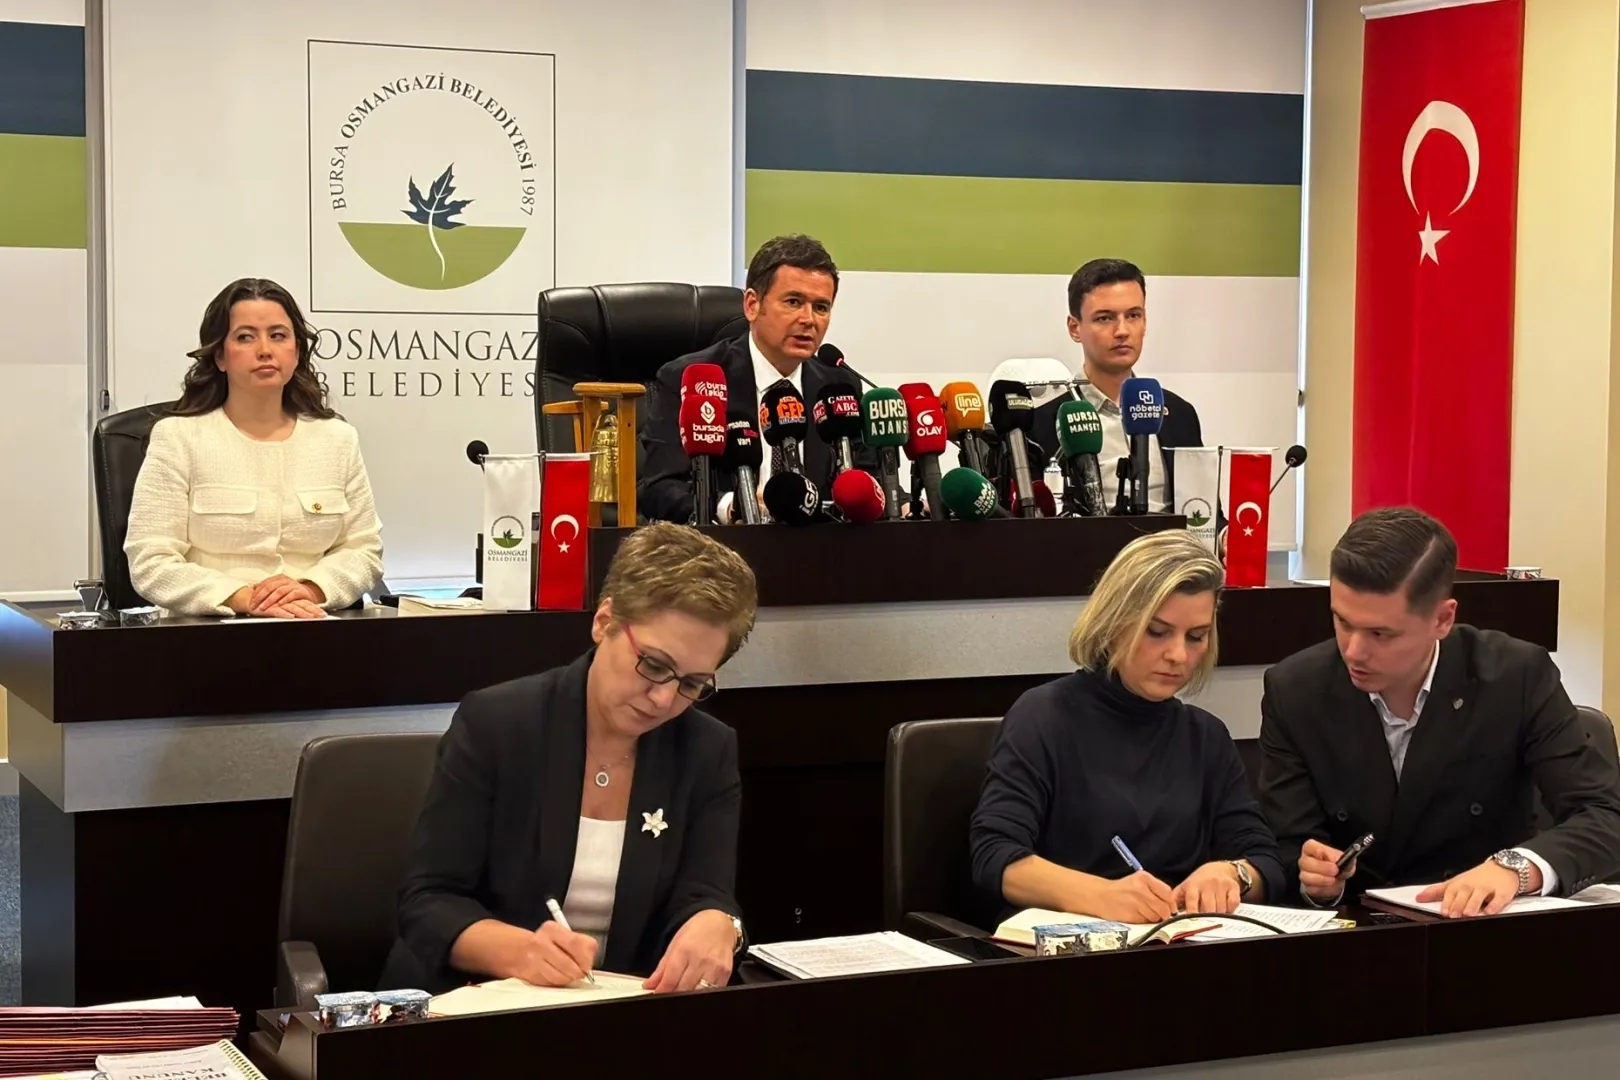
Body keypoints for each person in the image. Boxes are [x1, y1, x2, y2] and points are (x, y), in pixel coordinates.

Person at [380, 523, 757, 994]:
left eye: (692, 683)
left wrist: (719, 923)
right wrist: (520, 951)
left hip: (621, 1012)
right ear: (604, 621)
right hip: (474, 1005)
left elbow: (706, 895)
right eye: (654, 665)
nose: (664, 699)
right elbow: (427, 902)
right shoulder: (499, 724)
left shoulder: (706, 750)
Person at [1260, 507, 1620, 917]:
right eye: (1342, 622)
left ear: (1443, 619)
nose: (1354, 652)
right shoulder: (1295, 690)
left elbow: (1604, 817)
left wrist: (1515, 869)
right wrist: (1315, 879)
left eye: (1380, 633)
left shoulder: (1516, 676)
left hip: (1485, 927)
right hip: (1357, 932)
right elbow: (1287, 845)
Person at [970, 530, 1284, 924]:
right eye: (1157, 632)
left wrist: (1232, 874)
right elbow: (995, 855)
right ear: (1114, 622)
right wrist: (1101, 895)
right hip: (1069, 946)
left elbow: (1266, 861)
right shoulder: (1044, 717)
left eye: (1196, 637)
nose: (1178, 655)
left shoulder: (1205, 737)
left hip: (1181, 944)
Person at [124, 277, 383, 618]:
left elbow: (363, 551)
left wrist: (310, 589)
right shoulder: (178, 438)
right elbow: (151, 561)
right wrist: (245, 598)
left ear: (296, 352)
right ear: (220, 356)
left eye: (278, 335)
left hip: (315, 624)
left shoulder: (337, 439)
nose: (264, 350)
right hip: (209, 629)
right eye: (245, 337)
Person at [639, 234, 880, 523]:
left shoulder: (839, 387)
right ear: (752, 305)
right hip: (725, 545)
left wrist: (906, 504)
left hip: (819, 545)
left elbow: (870, 482)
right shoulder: (690, 379)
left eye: (821, 307)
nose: (809, 319)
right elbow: (659, 489)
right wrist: (732, 506)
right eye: (793, 302)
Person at [1030, 258, 1204, 512]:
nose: (1122, 330)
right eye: (1104, 318)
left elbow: (1205, 511)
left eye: (1133, 315)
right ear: (1075, 328)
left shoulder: (1179, 414)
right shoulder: (1041, 425)